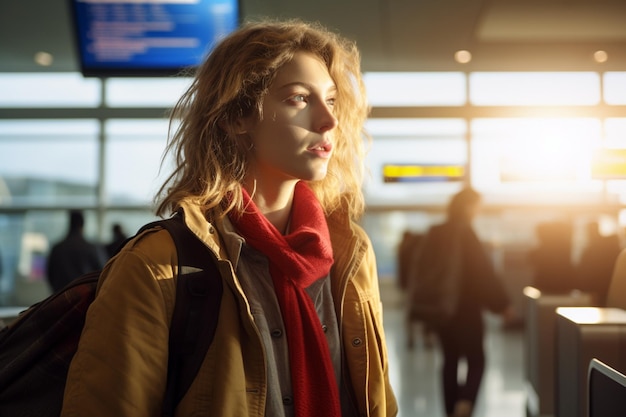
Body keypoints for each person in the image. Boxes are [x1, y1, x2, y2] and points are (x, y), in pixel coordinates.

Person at [60, 19, 398, 417]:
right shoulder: (155, 267)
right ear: (237, 117)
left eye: (331, 100)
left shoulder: (349, 252)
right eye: (298, 99)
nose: (328, 121)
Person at [414, 187, 513, 417]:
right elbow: (482, 273)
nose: (478, 210)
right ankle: (465, 404)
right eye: (477, 205)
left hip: (441, 308)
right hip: (466, 308)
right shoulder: (465, 232)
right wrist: (502, 304)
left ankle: (450, 410)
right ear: (468, 206)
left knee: (450, 360)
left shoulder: (436, 232)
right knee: (476, 359)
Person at [46, 210, 105, 293]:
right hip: (85, 297)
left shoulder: (57, 248)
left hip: (60, 296)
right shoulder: (91, 248)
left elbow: (50, 275)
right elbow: (102, 273)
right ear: (83, 224)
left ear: (70, 223)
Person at [575, 221, 621, 305]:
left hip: (598, 287)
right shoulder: (610, 245)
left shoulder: (593, 249)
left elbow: (586, 269)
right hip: (608, 286)